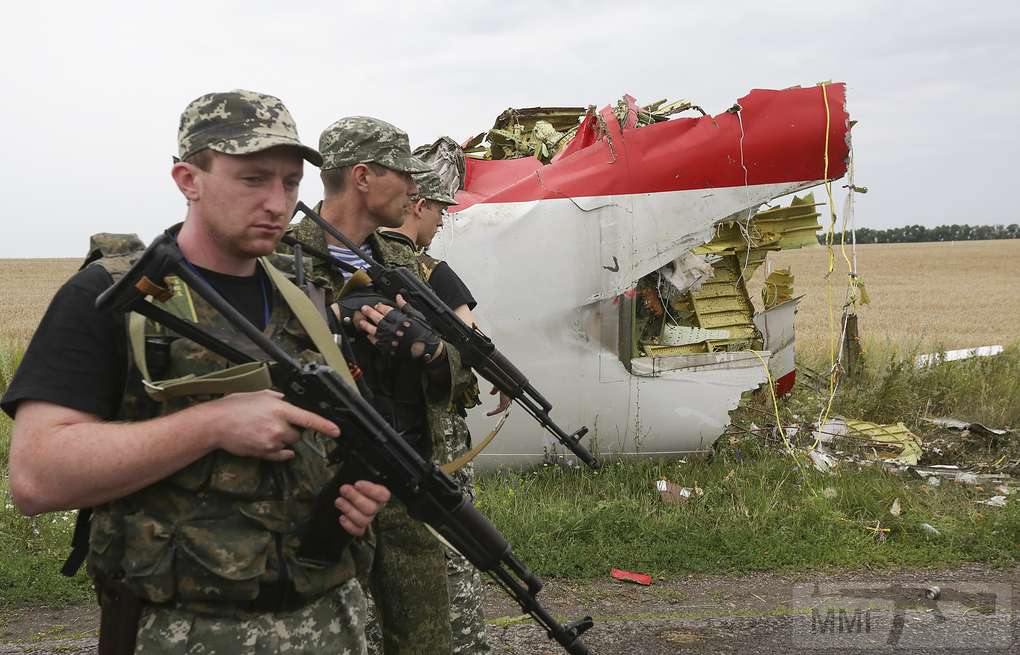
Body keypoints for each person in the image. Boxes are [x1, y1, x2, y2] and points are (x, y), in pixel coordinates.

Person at [2, 90, 390, 654]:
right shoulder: (114, 296)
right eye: (253, 179)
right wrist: (212, 424)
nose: (277, 203)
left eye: (289, 182)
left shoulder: (307, 295)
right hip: (182, 632)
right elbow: (37, 477)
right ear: (188, 179)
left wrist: (355, 493)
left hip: (331, 622)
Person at [286, 116, 476, 655]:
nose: (416, 190)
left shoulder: (403, 262)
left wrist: (432, 351)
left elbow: (462, 359)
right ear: (363, 177)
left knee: (425, 640)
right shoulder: (282, 257)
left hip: (409, 480)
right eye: (404, 175)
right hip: (327, 492)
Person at [378, 168, 512, 654]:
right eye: (438, 210)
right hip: (433, 432)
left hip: (380, 436)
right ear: (417, 206)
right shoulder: (429, 271)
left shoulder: (357, 256)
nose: (440, 222)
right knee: (454, 551)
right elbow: (472, 340)